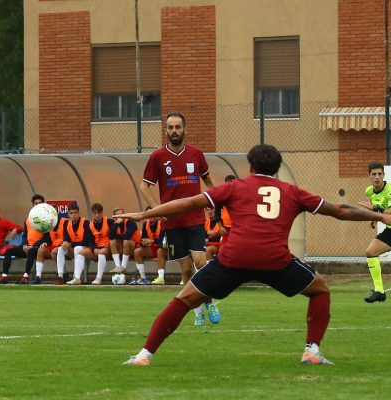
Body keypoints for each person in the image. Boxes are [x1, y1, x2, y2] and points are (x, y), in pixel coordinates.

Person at [120, 144, 391, 366]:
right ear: (277, 168)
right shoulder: (292, 192)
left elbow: (189, 202)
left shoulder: (235, 187)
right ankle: (311, 351)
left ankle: (145, 355)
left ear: (250, 166)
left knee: (184, 299)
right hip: (275, 260)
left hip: (234, 258)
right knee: (319, 289)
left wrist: (145, 214)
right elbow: (341, 209)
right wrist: (380, 215)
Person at [140, 111, 220, 326]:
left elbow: (208, 179)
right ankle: (196, 311)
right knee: (185, 269)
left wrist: (220, 197)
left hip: (194, 218)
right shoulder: (157, 157)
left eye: (177, 127)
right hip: (173, 223)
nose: (174, 131)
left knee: (201, 262)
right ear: (166, 130)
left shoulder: (196, 154)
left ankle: (210, 302)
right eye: (170, 127)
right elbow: (144, 186)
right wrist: (158, 209)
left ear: (185, 129)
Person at [357, 161, 391, 303]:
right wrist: (374, 218)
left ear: (383, 175)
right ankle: (379, 291)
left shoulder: (390, 190)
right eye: (374, 174)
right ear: (369, 176)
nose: (377, 177)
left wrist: (375, 210)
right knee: (370, 252)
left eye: (380, 174)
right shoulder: (369, 191)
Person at [0, 194, 45, 284]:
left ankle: (25, 277)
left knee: (31, 251)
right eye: (35, 203)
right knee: (9, 251)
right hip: (27, 246)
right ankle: (4, 277)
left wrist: (33, 246)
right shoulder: (28, 219)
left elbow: (46, 237)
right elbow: (24, 235)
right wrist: (24, 244)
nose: (37, 205)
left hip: (38, 247)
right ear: (33, 205)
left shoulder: (46, 219)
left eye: (40, 203)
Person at [78, 203, 115, 285]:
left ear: (102, 213)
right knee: (81, 253)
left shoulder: (110, 222)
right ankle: (77, 278)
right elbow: (89, 240)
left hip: (108, 248)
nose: (97, 215)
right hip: (96, 249)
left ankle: (98, 278)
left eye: (99, 213)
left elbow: (113, 236)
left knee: (101, 253)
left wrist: (107, 245)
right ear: (92, 213)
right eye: (95, 213)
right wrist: (94, 248)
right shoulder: (90, 225)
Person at [35, 205, 70, 285]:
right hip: (53, 246)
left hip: (64, 246)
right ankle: (38, 277)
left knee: (55, 252)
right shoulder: (47, 223)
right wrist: (45, 243)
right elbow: (47, 238)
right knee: (40, 250)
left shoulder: (65, 222)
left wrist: (60, 246)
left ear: (56, 212)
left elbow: (68, 237)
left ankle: (63, 274)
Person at [62, 203, 95, 285]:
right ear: (68, 214)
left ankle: (77, 277)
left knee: (78, 248)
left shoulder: (86, 223)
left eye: (75, 212)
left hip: (87, 248)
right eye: (71, 213)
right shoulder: (67, 224)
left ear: (79, 213)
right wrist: (65, 243)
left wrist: (71, 244)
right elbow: (66, 238)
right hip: (74, 248)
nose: (73, 215)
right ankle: (60, 276)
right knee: (61, 249)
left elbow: (86, 240)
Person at [132, 207, 165, 285]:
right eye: (149, 214)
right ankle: (143, 278)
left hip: (163, 247)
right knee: (137, 251)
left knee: (160, 250)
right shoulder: (145, 224)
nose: (151, 215)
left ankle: (161, 278)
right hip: (152, 248)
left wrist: (152, 241)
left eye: (152, 213)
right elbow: (143, 238)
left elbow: (163, 239)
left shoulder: (162, 223)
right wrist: (144, 242)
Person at [109, 207, 141, 276]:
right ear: (115, 217)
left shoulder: (131, 223)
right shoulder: (115, 224)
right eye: (118, 216)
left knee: (126, 241)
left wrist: (117, 236)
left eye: (122, 214)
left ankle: (123, 267)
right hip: (124, 249)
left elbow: (127, 236)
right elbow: (111, 236)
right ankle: (118, 266)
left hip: (135, 248)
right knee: (112, 242)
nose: (121, 217)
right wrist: (117, 224)